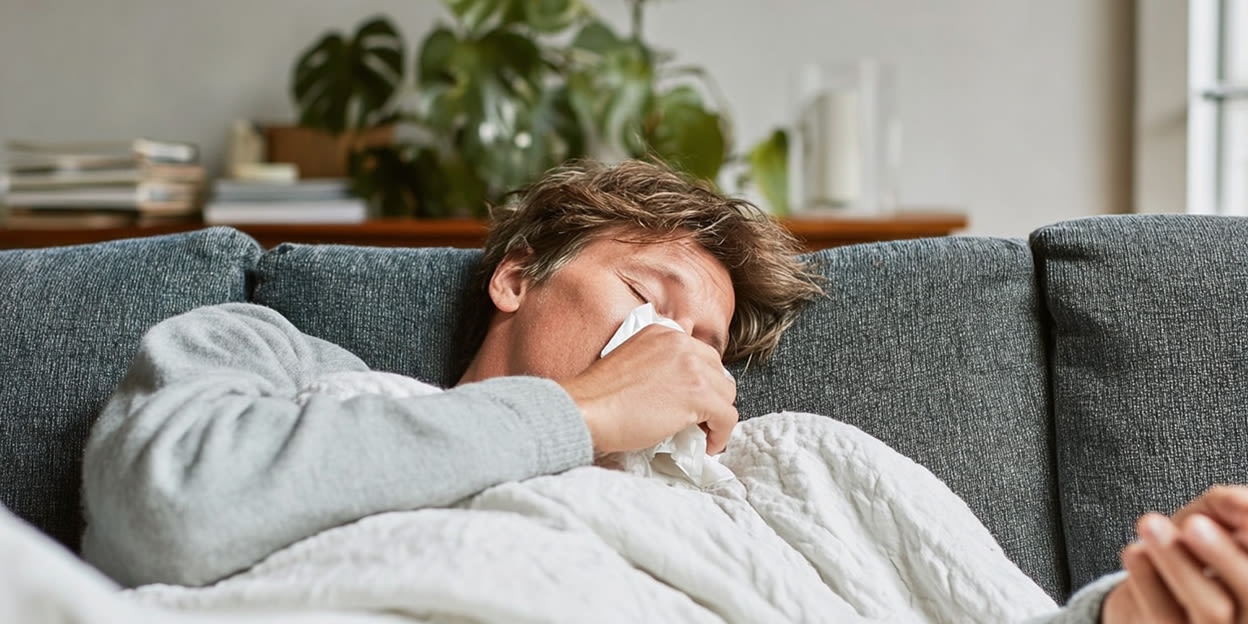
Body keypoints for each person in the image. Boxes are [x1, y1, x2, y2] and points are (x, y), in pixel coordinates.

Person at [79, 159, 1246, 623]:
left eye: (701, 343)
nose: (673, 352)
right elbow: (166, 517)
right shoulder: (276, 361)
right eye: (644, 296)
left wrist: (1137, 611)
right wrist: (578, 415)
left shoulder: (778, 471)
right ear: (518, 275)